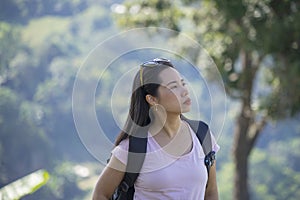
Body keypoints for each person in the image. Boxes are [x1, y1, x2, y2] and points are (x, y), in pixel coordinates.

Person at [92, 58, 220, 200]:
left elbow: (211, 192)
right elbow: (100, 194)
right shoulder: (133, 149)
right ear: (152, 99)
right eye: (174, 87)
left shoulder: (202, 135)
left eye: (182, 83)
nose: (184, 91)